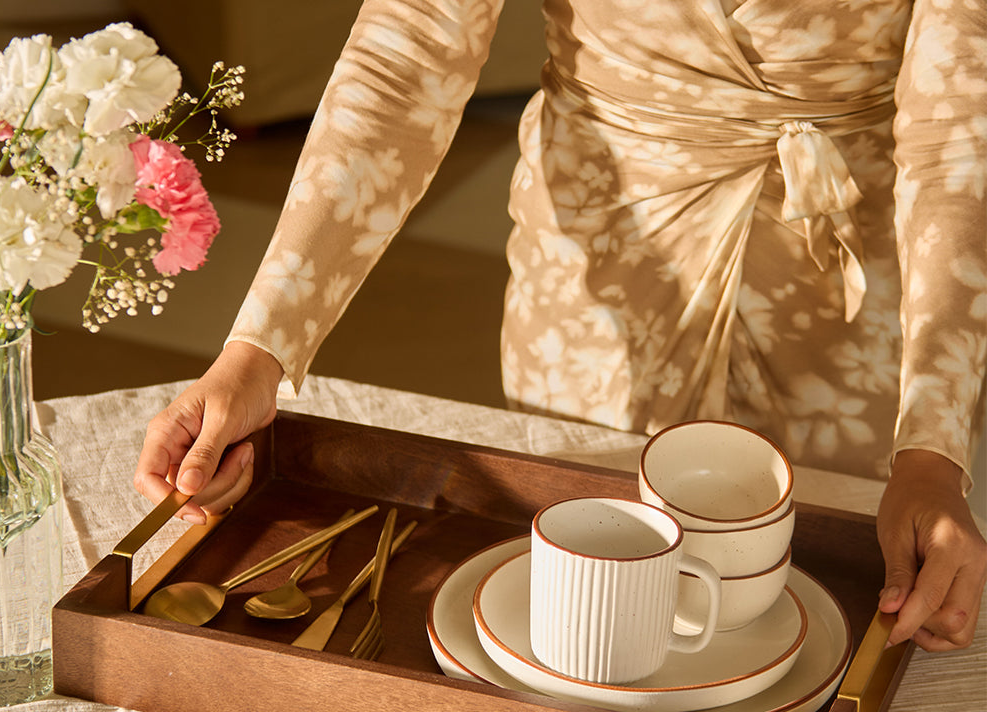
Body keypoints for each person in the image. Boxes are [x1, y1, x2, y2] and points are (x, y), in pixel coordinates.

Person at [134, 0, 986, 652]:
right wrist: (261, 347)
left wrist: (932, 452)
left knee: (826, 611)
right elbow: (413, 48)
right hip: (595, 288)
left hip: (853, 302)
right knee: (582, 614)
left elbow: (958, 133)